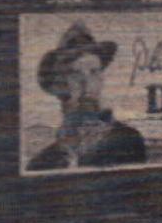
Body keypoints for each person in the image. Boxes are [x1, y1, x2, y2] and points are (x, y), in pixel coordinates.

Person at [27, 22, 146, 171]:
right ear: (59, 86)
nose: (87, 85)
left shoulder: (128, 141)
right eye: (75, 74)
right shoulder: (41, 163)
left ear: (102, 80)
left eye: (94, 72)